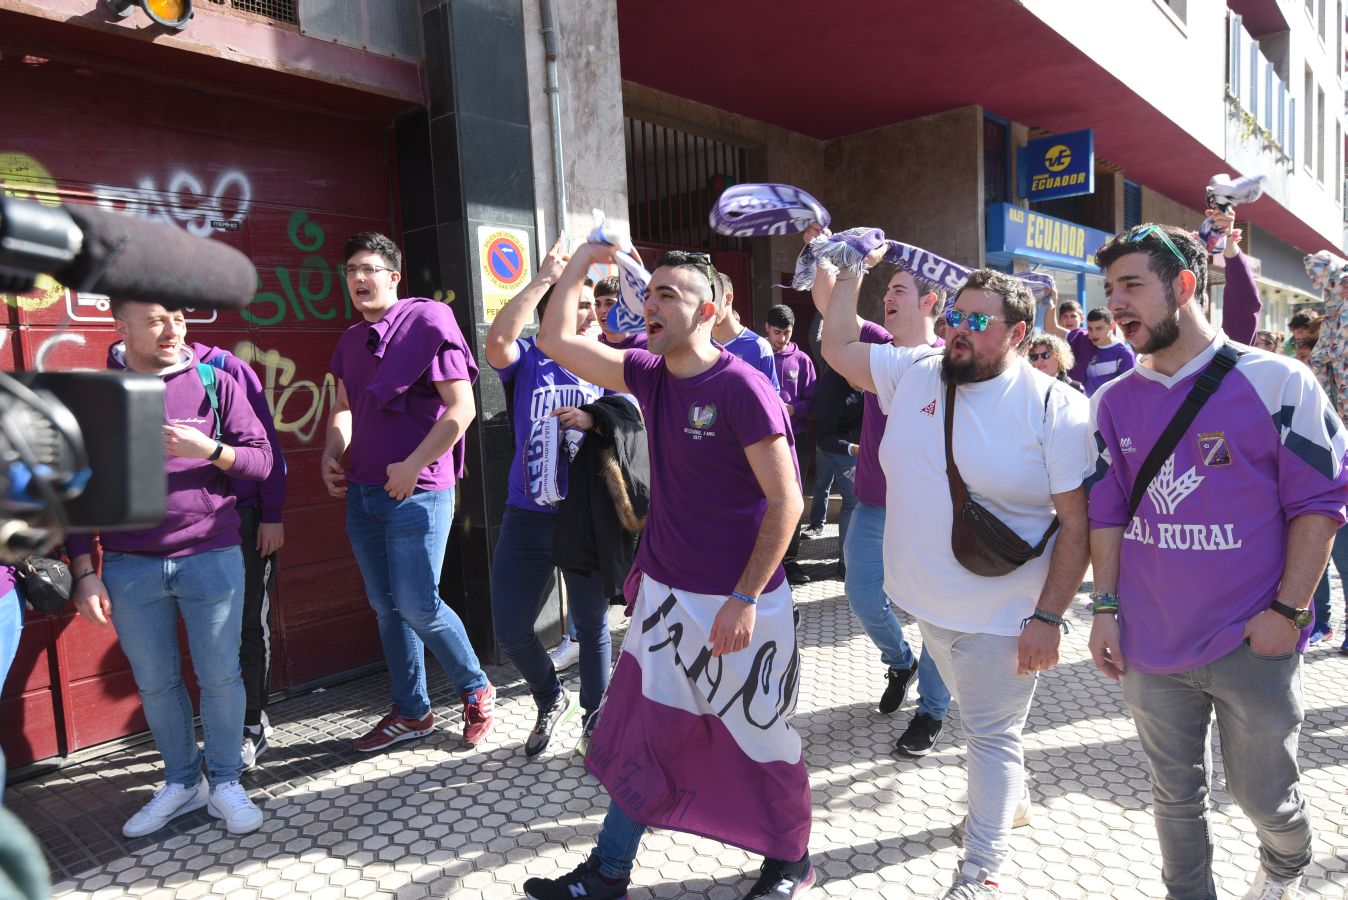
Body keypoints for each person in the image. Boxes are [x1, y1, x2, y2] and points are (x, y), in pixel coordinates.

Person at [524, 246, 814, 900]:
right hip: (666, 599)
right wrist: (581, 264)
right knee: (646, 738)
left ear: (708, 311)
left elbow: (786, 500)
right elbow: (554, 338)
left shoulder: (742, 386)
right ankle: (607, 872)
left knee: (761, 737)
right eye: (648, 294)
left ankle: (789, 861)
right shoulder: (649, 375)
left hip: (744, 606)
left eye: (670, 296)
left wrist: (742, 598)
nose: (651, 306)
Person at [1087, 223, 1348, 900]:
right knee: (1173, 799)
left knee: (1265, 799)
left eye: (1132, 285)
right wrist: (1106, 611)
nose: (1115, 303)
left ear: (1183, 286)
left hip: (1251, 642)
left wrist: (1289, 613)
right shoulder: (1112, 402)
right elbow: (1108, 513)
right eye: (1109, 288)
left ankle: (1287, 861)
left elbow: (1319, 506)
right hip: (1150, 645)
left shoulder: (1279, 381)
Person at [824, 256, 1093, 898]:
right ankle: (1014, 806)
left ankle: (983, 868)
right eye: (955, 317)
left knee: (991, 737)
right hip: (926, 607)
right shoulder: (915, 370)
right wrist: (846, 275)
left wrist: (1050, 620)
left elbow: (1079, 529)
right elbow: (835, 345)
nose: (958, 332)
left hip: (1003, 618)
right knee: (991, 731)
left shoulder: (1057, 407)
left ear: (1020, 335)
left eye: (978, 321)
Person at [68, 300, 274, 838]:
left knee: (221, 677)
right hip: (131, 568)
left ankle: (226, 781)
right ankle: (185, 782)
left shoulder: (215, 379)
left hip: (211, 554)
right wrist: (84, 569)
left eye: (180, 318)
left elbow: (261, 458)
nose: (172, 329)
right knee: (157, 685)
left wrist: (211, 449)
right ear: (121, 326)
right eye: (157, 319)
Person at [322, 232, 495, 753]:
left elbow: (461, 410)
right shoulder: (351, 340)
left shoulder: (428, 324)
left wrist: (413, 465)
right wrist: (332, 451)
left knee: (419, 604)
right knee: (386, 606)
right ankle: (412, 712)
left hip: (418, 491)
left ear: (394, 275)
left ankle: (475, 686)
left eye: (370, 268)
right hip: (365, 493)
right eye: (351, 269)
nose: (359, 278)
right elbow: (345, 408)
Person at [804, 228, 952, 759]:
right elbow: (828, 303)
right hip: (872, 504)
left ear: (930, 301)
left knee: (937, 614)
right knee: (863, 595)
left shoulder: (949, 361)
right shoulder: (877, 347)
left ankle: (932, 708)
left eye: (899, 291)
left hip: (932, 512)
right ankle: (901, 661)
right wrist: (830, 254)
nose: (887, 299)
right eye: (885, 290)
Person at [484, 237, 609, 758]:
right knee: (511, 626)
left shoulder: (612, 360)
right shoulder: (531, 356)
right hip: (528, 514)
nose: (580, 312)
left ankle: (596, 724)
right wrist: (541, 278)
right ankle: (548, 695)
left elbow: (637, 426)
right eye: (569, 301)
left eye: (586, 302)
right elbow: (495, 343)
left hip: (587, 518)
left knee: (590, 625)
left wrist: (595, 417)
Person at [189, 341, 286, 770]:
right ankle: (215, 728)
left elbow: (267, 447)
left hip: (243, 519)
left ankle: (252, 725)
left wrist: (273, 514)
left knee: (247, 623)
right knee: (207, 632)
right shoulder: (125, 374)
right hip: (180, 529)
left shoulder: (221, 368)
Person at [766, 303, 817, 586]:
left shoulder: (803, 361)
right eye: (777, 332)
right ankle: (765, 557)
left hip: (795, 441)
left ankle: (789, 559)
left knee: (793, 500)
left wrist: (795, 409)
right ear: (766, 329)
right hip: (762, 442)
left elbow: (813, 398)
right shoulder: (756, 355)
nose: (782, 338)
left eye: (786, 333)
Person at [809, 366, 861, 576]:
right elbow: (825, 437)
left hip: (850, 444)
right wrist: (852, 448)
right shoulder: (830, 389)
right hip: (835, 445)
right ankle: (845, 563)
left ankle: (845, 560)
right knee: (847, 499)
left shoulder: (865, 379)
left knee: (850, 499)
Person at [712, 273, 779, 389]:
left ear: (728, 298)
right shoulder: (696, 344)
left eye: (712, 299)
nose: (707, 307)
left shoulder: (760, 346)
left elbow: (772, 399)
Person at [1081, 308, 1136, 396]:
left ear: (1112, 326)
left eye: (1099, 328)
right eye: (1090, 329)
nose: (1093, 334)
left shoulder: (1124, 354)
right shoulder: (1088, 346)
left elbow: (1129, 391)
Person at [1042, 296, 1094, 383]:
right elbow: (1049, 327)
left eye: (1073, 316)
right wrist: (1052, 297)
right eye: (1065, 316)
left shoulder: (1086, 335)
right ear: (1059, 321)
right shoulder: (1061, 338)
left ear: (1081, 319)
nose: (1069, 320)